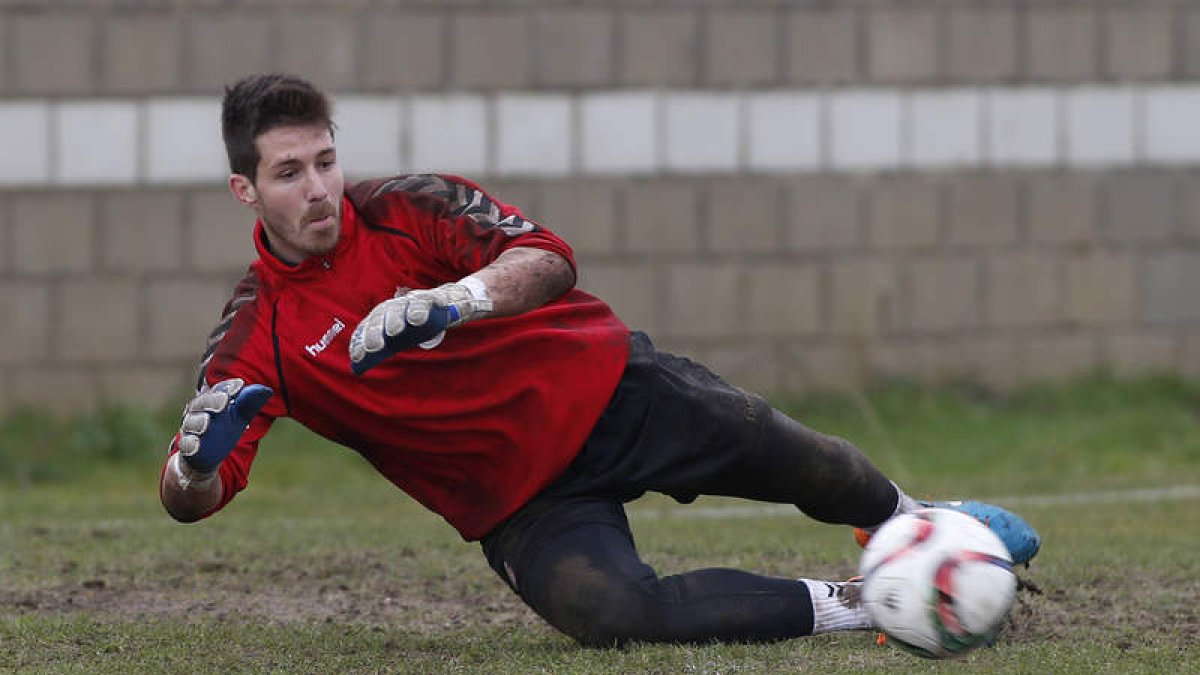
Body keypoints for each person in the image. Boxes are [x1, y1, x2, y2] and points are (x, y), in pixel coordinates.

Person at [159, 73, 1040, 647]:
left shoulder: (407, 208)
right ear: (246, 189)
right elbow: (189, 499)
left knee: (811, 460)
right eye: (288, 173)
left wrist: (454, 299)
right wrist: (196, 465)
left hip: (611, 389)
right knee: (609, 614)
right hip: (521, 501)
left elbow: (546, 255)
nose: (318, 188)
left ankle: (925, 523)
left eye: (325, 160)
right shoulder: (254, 338)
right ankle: (868, 601)